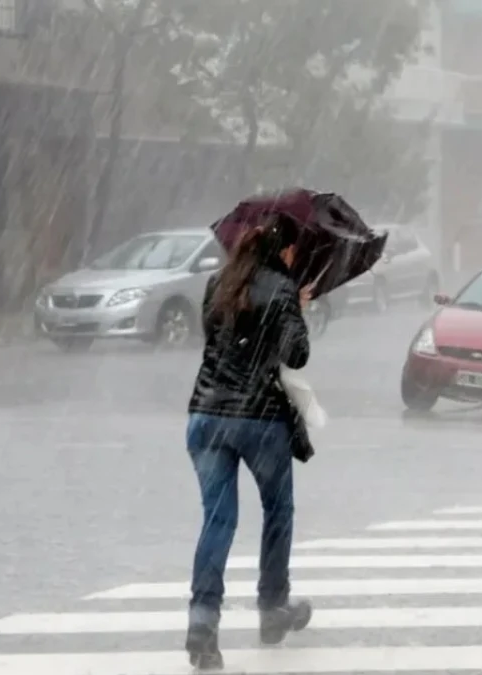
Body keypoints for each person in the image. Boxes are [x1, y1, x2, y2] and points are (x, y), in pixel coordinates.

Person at [184, 214, 314, 670]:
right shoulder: (282, 288)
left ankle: (202, 623)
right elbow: (296, 354)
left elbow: (218, 342)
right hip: (259, 420)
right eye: (295, 251)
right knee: (278, 511)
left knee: (217, 522)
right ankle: (272, 608)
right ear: (284, 251)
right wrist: (296, 306)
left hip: (205, 416)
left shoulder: (218, 283)